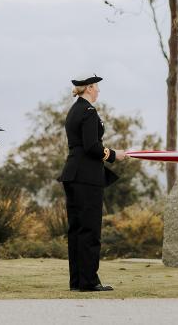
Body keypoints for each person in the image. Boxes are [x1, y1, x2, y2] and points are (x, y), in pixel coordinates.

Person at [58, 74, 127, 292]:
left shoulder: (74, 110)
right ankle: (88, 281)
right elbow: (92, 146)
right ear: (88, 88)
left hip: (73, 174)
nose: (98, 91)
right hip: (86, 177)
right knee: (89, 229)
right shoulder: (88, 111)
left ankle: (77, 280)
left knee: (77, 230)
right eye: (96, 87)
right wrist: (114, 155)